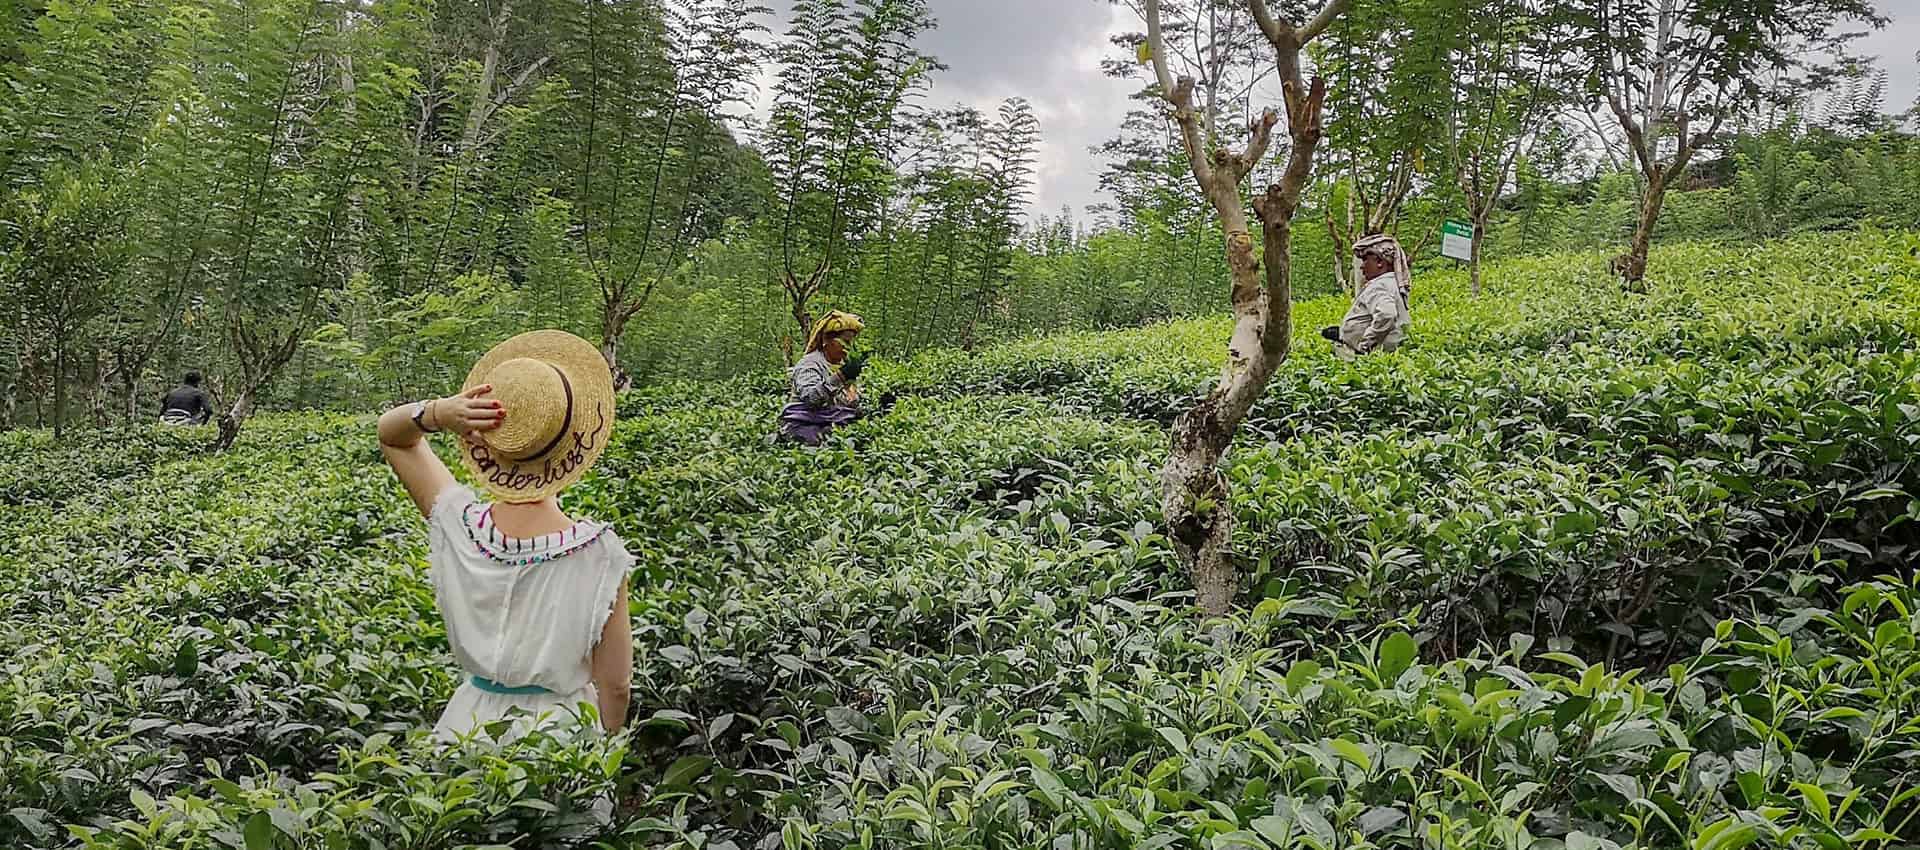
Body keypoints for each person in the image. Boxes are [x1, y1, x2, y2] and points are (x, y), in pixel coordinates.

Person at [376, 330, 634, 746]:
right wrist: (605, 744)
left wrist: (441, 413)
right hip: (560, 733)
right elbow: (616, 684)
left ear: (489, 445)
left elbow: (393, 436)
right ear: (572, 448)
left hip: (468, 725)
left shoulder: (458, 525)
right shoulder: (600, 553)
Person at [778, 311, 870, 446]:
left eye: (851, 342)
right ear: (827, 340)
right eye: (844, 341)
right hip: (804, 424)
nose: (847, 347)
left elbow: (846, 403)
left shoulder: (841, 365)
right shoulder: (810, 364)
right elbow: (811, 399)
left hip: (830, 423)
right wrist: (840, 377)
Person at [1330, 233, 1412, 358]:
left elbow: (1387, 314)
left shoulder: (1380, 286)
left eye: (1365, 260)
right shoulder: (1392, 283)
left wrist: (1365, 345)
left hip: (1367, 358)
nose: (1362, 266)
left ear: (1379, 262)